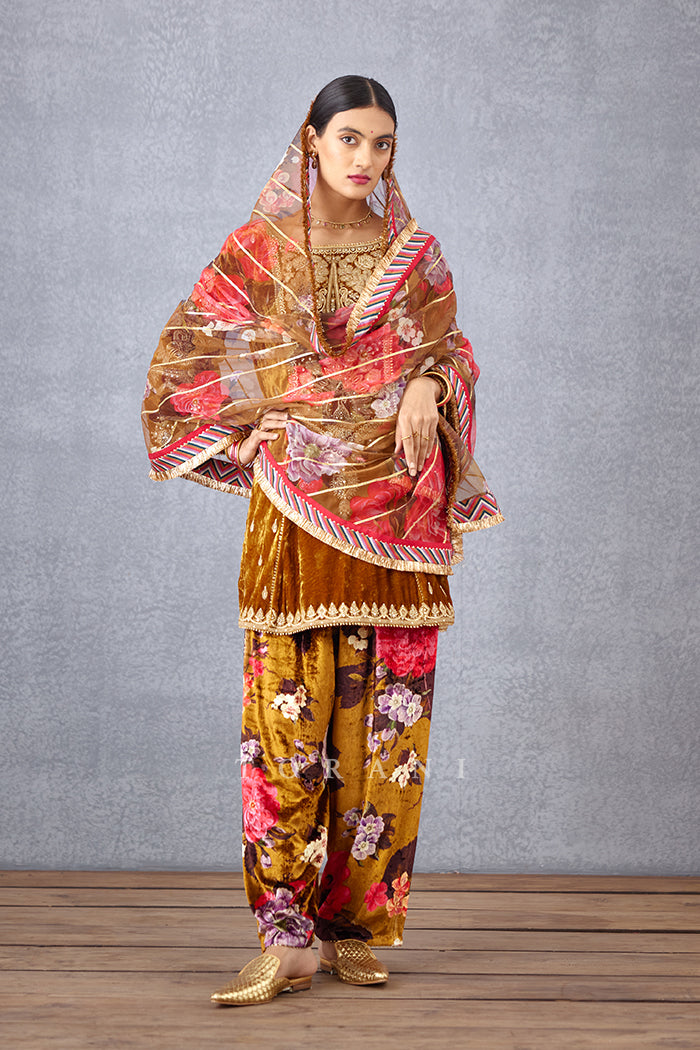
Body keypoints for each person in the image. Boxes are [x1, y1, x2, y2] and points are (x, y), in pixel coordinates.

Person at [141, 75, 503, 1006]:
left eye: (382, 143)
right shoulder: (260, 249)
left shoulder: (414, 256)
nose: (365, 158)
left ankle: (353, 926)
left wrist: (429, 384)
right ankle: (287, 936)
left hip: (398, 516)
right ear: (311, 139)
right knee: (286, 725)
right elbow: (192, 359)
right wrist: (242, 428)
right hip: (295, 515)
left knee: (386, 725)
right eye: (349, 138)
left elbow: (452, 349)